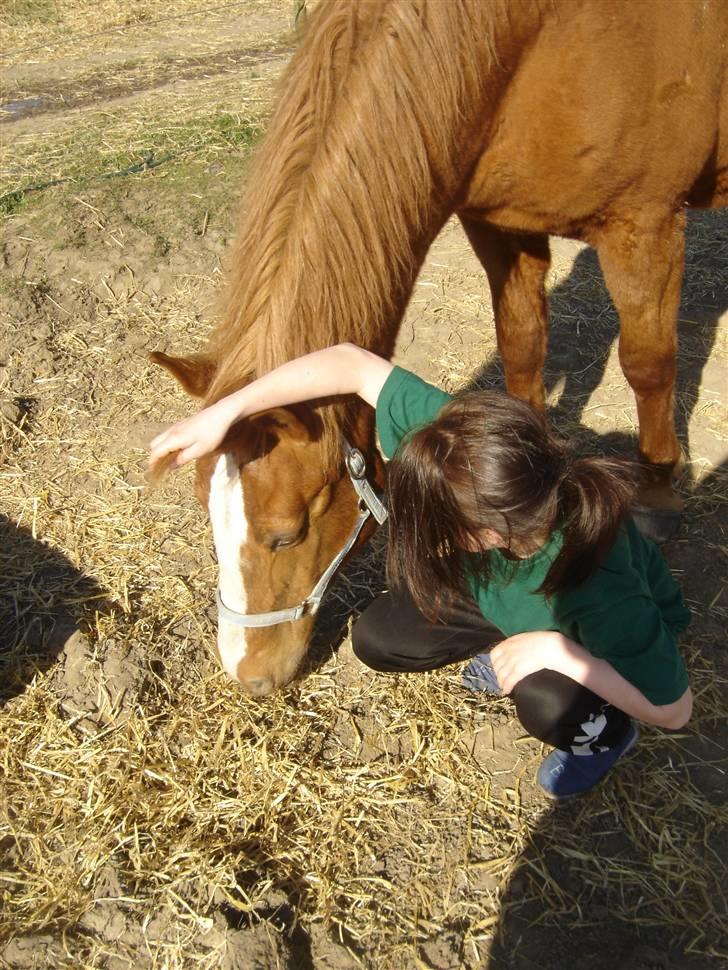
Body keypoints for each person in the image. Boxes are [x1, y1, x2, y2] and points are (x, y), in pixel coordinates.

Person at [149, 343, 692, 800]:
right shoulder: (465, 449)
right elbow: (351, 363)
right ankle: (510, 638)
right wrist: (226, 411)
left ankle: (604, 737)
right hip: (497, 587)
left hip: (571, 632)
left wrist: (556, 653)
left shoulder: (604, 594)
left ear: (486, 532)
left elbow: (674, 711)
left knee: (548, 701)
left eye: (436, 517)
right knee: (380, 639)